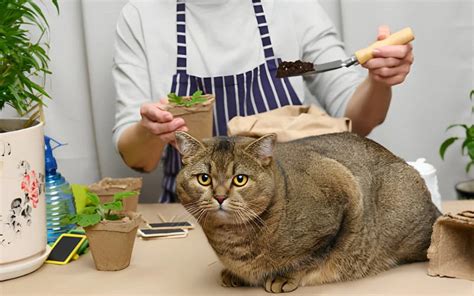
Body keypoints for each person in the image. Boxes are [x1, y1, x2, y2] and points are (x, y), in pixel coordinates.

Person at [112, 0, 414, 202]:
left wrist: (378, 81)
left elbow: (358, 121)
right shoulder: (141, 16)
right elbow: (139, 159)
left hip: (294, 214)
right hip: (192, 216)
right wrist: (150, 130)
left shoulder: (292, 6)